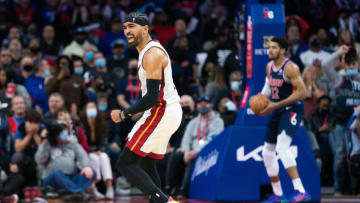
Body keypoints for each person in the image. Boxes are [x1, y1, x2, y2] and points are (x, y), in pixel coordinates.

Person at [110, 12, 182, 203]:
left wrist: (123, 113)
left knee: (125, 164)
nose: (127, 31)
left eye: (131, 27)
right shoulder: (147, 52)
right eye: (125, 28)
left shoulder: (152, 54)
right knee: (146, 164)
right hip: (166, 110)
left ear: (145, 29)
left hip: (162, 110)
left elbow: (151, 97)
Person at [258, 37, 310, 202]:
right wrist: (258, 100)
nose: (270, 50)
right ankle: (279, 195)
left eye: (274, 48)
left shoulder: (291, 68)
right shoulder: (269, 66)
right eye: (269, 47)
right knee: (267, 153)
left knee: (282, 146)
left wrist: (275, 105)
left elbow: (303, 93)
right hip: (277, 109)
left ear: (282, 50)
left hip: (292, 110)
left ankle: (301, 191)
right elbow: (268, 89)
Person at [165, 96, 224, 198]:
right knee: (175, 156)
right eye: (200, 104)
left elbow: (213, 140)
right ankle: (169, 187)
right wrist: (186, 151)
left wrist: (196, 151)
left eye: (205, 103)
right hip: (190, 152)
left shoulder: (218, 121)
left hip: (208, 152)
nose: (203, 106)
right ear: (197, 106)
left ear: (210, 105)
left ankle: (183, 190)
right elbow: (186, 139)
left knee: (193, 160)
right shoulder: (194, 122)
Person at [321, 46, 360, 195]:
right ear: (344, 64)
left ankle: (356, 189)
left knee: (356, 157)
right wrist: (339, 52)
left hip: (358, 126)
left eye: (354, 63)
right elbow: (325, 65)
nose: (351, 66)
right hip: (342, 124)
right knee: (340, 155)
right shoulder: (339, 79)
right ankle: (337, 188)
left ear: (358, 64)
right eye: (349, 63)